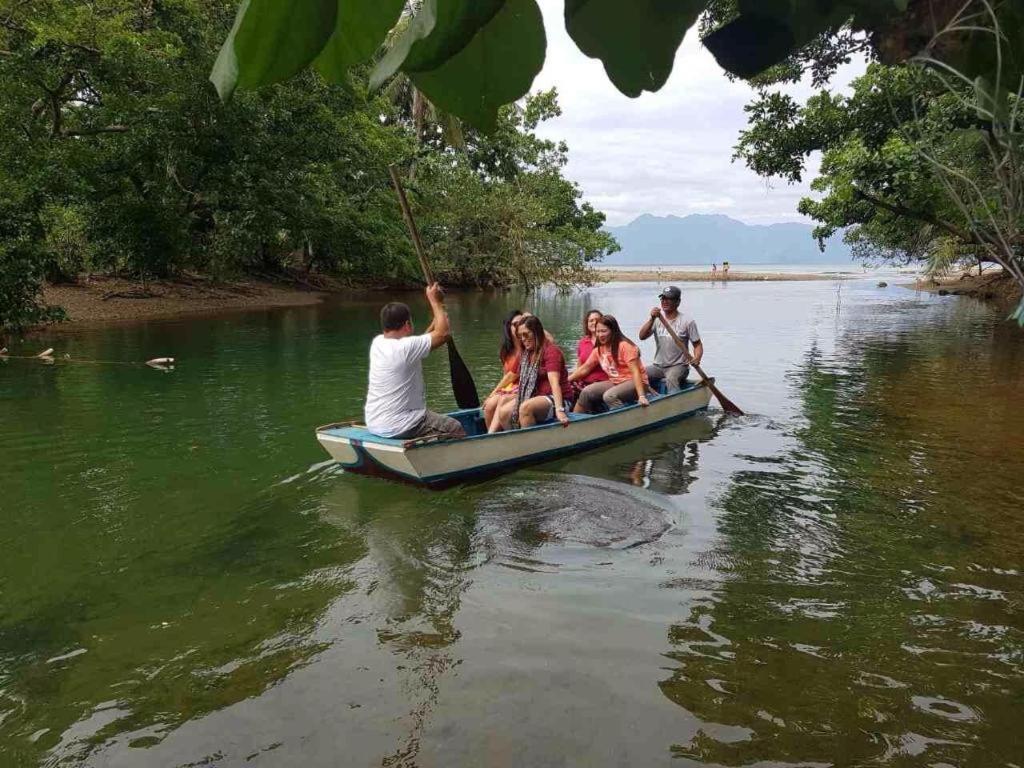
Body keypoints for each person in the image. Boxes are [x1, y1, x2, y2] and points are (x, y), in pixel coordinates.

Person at [364, 284, 466, 440]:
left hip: (375, 423)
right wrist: (435, 302)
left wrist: (437, 320)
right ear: (407, 324)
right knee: (455, 427)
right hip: (402, 424)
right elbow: (443, 334)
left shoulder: (378, 343)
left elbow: (421, 342)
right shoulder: (405, 348)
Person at [494, 315, 571, 430]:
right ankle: (513, 441)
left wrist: (560, 410)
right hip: (535, 396)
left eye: (526, 334)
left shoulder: (551, 352)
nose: (523, 339)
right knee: (504, 412)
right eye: (520, 336)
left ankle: (527, 444)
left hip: (559, 399)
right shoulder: (526, 354)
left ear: (537, 332)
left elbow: (555, 383)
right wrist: (494, 393)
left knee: (526, 407)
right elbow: (512, 376)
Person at [569, 314, 650, 413]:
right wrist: (568, 379)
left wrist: (641, 396)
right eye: (598, 331)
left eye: (604, 331)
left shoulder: (625, 346)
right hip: (616, 382)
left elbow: (635, 372)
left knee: (609, 396)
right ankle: (575, 422)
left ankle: (623, 420)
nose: (600, 335)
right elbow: (585, 368)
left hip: (635, 382)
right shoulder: (599, 350)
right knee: (586, 392)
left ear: (613, 331)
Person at [638, 285, 703, 393]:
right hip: (658, 366)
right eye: (663, 298)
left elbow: (697, 345)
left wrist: (697, 358)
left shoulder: (687, 321)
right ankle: (651, 397)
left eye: (669, 299)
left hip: (679, 366)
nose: (665, 301)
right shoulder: (657, 319)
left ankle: (676, 405)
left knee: (671, 379)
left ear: (678, 302)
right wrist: (652, 318)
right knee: (638, 374)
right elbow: (642, 336)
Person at [482, 309, 524, 433]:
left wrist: (493, 393)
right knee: (489, 406)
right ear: (508, 327)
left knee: (499, 400)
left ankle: (492, 435)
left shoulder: (527, 347)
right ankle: (493, 435)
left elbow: (511, 376)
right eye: (515, 324)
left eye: (522, 323)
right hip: (509, 388)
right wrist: (495, 393)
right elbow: (505, 376)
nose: (518, 327)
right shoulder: (506, 350)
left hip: (520, 387)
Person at [573, 309, 609, 398]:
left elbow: (587, 367)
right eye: (591, 321)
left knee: (587, 392)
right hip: (584, 382)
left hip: (603, 382)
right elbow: (580, 367)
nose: (594, 322)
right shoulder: (582, 342)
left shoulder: (607, 341)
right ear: (587, 324)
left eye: (597, 320)